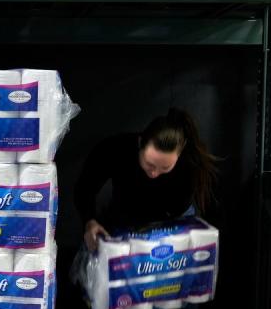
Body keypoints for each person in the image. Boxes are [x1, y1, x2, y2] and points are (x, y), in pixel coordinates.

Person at [76, 107, 219, 250]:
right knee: (95, 247)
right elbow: (84, 188)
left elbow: (176, 210)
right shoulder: (116, 149)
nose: (154, 173)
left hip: (171, 215)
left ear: (180, 155)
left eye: (165, 168)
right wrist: (90, 221)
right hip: (125, 211)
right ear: (140, 143)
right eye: (149, 164)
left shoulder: (188, 165)